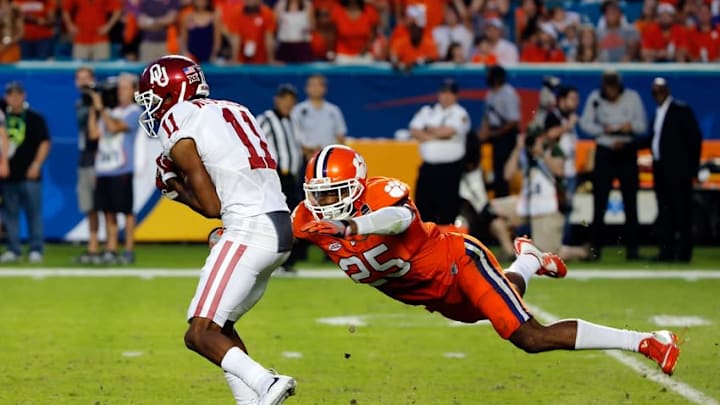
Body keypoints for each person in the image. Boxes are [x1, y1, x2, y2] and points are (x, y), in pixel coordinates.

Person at [292, 144, 681, 380]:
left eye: (332, 195)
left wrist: (352, 224)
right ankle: (528, 260)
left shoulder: (382, 195)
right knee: (500, 303)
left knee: (528, 336)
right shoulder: (308, 218)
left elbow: (400, 219)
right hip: (434, 295)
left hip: (460, 260)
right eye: (318, 195)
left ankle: (648, 342)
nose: (323, 205)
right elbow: (268, 237)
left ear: (357, 187)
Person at [135, 55, 295, 404]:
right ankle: (250, 400)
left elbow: (210, 206)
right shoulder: (234, 109)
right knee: (220, 327)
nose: (153, 111)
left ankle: (266, 383)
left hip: (249, 228)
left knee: (199, 333)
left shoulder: (179, 117)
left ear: (172, 93)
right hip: (280, 226)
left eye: (153, 100)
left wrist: (173, 187)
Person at [579, 71, 647, 261]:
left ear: (619, 86)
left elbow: (642, 125)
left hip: (626, 150)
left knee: (630, 203)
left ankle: (633, 250)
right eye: (607, 87)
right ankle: (596, 249)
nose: (610, 91)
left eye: (613, 87)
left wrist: (629, 127)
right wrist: (604, 129)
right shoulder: (595, 98)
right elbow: (585, 124)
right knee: (599, 203)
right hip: (605, 152)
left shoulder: (632, 98)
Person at [641, 77, 702, 262]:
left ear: (667, 90)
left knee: (682, 213)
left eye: (660, 90)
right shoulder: (658, 113)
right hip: (661, 170)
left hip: (679, 172)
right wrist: (627, 145)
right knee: (665, 212)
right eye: (654, 91)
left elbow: (695, 139)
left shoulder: (681, 110)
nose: (657, 94)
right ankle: (666, 252)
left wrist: (693, 169)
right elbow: (652, 140)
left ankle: (684, 254)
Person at [88, 73, 141, 265]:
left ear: (134, 90)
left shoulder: (135, 112)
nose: (120, 92)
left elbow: (113, 128)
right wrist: (94, 108)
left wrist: (101, 108)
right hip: (104, 167)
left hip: (121, 168)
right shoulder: (112, 110)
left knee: (125, 211)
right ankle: (111, 248)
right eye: (119, 88)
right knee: (108, 211)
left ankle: (128, 249)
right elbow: (94, 133)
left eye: (124, 88)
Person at [256, 83, 306, 272]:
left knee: (291, 220)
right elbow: (255, 144)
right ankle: (275, 261)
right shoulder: (266, 119)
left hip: (291, 177)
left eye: (291, 100)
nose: (288, 103)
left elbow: (296, 146)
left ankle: (287, 261)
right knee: (277, 220)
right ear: (277, 100)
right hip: (276, 177)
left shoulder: (293, 121)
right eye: (285, 99)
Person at [0, 81, 50, 264]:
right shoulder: (2, 118)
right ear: (6, 98)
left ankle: (36, 248)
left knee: (33, 214)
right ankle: (14, 249)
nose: (14, 98)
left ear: (24, 96)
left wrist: (36, 165)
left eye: (17, 94)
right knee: (9, 214)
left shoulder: (34, 118)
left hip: (29, 175)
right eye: (10, 95)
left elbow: (45, 142)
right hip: (8, 175)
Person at [409, 78, 470, 226]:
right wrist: (436, 134)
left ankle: (446, 242)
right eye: (444, 92)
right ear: (439, 94)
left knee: (447, 208)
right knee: (423, 207)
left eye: (450, 93)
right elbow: (414, 130)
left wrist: (428, 130)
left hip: (449, 169)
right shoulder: (427, 111)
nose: (446, 96)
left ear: (456, 96)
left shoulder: (460, 113)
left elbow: (448, 131)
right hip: (428, 168)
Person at [478, 65, 520, 198]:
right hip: (493, 131)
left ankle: (502, 198)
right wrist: (483, 132)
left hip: (506, 134)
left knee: (502, 169)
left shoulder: (509, 94)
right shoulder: (490, 93)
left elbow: (513, 121)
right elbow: (487, 115)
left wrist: (492, 134)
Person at [73, 66, 101, 264]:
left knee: (105, 206)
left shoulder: (102, 100)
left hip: (102, 159)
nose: (83, 83)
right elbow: (83, 122)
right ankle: (93, 246)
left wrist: (97, 101)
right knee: (89, 206)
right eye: (80, 79)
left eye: (86, 78)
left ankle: (109, 247)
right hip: (86, 158)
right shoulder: (80, 104)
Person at [291, 74, 347, 161]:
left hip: (330, 158)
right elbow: (293, 135)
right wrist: (307, 152)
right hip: (305, 158)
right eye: (312, 85)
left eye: (319, 85)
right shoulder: (298, 110)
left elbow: (340, 136)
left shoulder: (334, 110)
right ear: (306, 88)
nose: (315, 88)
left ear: (325, 88)